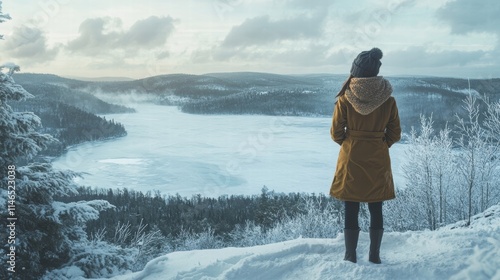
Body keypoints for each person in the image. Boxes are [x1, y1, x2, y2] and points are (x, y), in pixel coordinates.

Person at [329, 47, 401, 264]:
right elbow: (395, 134)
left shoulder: (345, 99)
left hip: (351, 159)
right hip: (378, 159)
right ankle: (374, 256)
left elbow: (335, 133)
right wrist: (378, 145)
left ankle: (350, 255)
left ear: (356, 71)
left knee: (351, 206)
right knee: (375, 206)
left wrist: (352, 144)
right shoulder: (388, 100)